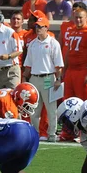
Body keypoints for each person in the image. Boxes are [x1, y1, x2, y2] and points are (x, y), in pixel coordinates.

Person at [23, 13, 64, 142]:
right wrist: (25, 80)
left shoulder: (53, 43)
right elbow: (28, 65)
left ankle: (52, 134)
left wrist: (58, 79)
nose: (38, 29)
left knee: (51, 108)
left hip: (48, 78)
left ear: (47, 28)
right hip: (34, 78)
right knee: (34, 109)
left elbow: (59, 64)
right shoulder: (32, 44)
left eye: (40, 26)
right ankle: (35, 134)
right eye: (36, 26)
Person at [61, 6, 87, 101]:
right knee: (69, 101)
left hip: (83, 70)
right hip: (71, 70)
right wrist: (64, 70)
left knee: (85, 101)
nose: (78, 20)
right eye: (76, 17)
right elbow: (68, 53)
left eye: (80, 17)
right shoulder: (72, 30)